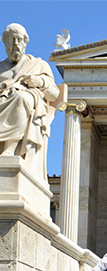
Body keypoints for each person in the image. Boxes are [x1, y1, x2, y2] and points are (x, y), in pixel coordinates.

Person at [0, 24, 59, 168]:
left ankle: (10, 149)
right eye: (12, 40)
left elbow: (55, 94)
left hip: (22, 101)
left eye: (19, 40)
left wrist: (39, 82)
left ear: (25, 42)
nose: (16, 44)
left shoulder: (38, 65)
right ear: (5, 42)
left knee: (21, 98)